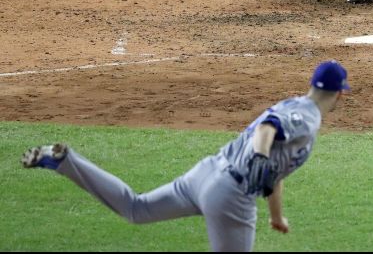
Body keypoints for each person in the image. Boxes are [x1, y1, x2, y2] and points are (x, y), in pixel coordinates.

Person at [21, 60, 351, 252]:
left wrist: (276, 216)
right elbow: (268, 129)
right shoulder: (308, 117)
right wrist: (261, 157)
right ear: (339, 94)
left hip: (206, 174)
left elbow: (273, 175)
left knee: (136, 209)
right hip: (232, 196)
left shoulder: (293, 103)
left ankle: (64, 161)